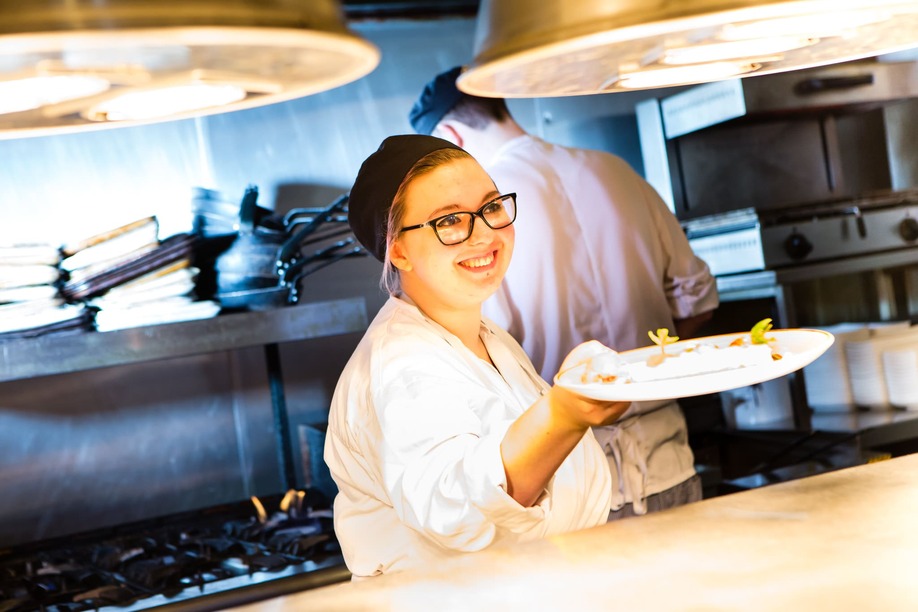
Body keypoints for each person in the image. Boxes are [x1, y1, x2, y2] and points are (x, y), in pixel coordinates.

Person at [408, 66, 720, 519]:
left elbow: (475, 360)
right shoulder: (616, 170)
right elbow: (698, 301)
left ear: (452, 137)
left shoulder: (478, 222)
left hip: (567, 486)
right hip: (669, 463)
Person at [324, 134, 632, 578]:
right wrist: (562, 414)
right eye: (449, 220)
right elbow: (459, 512)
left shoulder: (484, 335)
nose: (485, 233)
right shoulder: (403, 366)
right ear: (398, 250)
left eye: (491, 207)